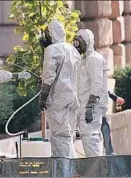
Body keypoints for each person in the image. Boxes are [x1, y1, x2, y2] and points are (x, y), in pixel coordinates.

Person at [39, 19, 81, 159]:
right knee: (68, 137)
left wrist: (43, 97)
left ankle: (64, 171)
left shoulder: (52, 50)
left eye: (47, 34)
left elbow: (49, 76)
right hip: (73, 100)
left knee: (59, 138)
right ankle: (72, 168)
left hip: (58, 100)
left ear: (51, 34)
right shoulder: (72, 49)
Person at [72, 29, 109, 157]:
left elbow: (96, 84)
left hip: (92, 106)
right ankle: (97, 169)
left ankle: (96, 171)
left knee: (90, 137)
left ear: (87, 42)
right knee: (90, 137)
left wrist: (90, 106)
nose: (77, 45)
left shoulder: (94, 59)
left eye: (79, 42)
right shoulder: (84, 61)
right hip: (84, 105)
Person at [101, 91, 125, 155]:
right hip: (82, 109)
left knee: (105, 127)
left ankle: (109, 153)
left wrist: (116, 98)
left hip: (99, 111)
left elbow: (104, 89)